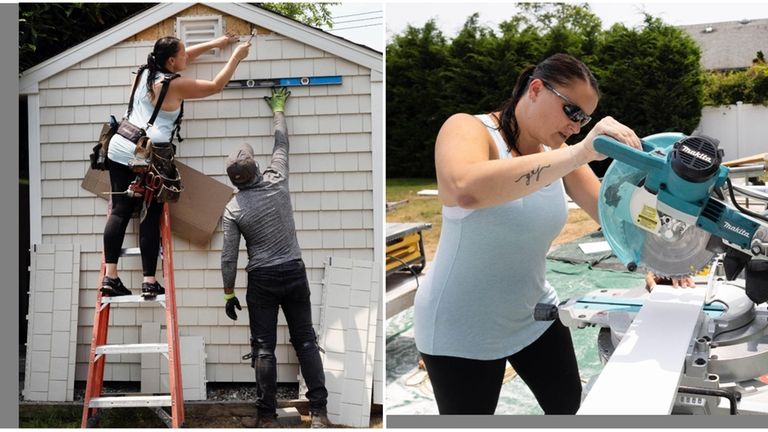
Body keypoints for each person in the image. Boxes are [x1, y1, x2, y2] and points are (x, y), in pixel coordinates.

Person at [413, 53, 694, 415]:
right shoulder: (468, 128)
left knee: (568, 408)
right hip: (462, 326)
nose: (576, 127)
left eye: (585, 120)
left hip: (533, 314)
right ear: (535, 89)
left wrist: (659, 254)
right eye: (572, 112)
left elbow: (612, 215)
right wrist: (578, 153)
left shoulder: (558, 153)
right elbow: (464, 189)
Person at [101, 34, 250, 297]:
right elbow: (215, 85)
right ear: (171, 61)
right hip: (149, 153)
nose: (187, 57)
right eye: (182, 55)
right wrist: (236, 56)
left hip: (120, 143)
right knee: (150, 214)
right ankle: (149, 281)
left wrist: (215, 43)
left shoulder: (146, 70)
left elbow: (185, 55)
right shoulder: (173, 85)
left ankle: (110, 278)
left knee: (120, 211)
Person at [220, 87, 332, 428]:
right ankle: (320, 414)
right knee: (305, 340)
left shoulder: (234, 208)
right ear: (256, 170)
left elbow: (229, 257)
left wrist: (228, 292)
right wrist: (278, 108)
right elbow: (281, 143)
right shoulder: (277, 180)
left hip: (262, 281)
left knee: (264, 349)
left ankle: (266, 418)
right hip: (294, 273)